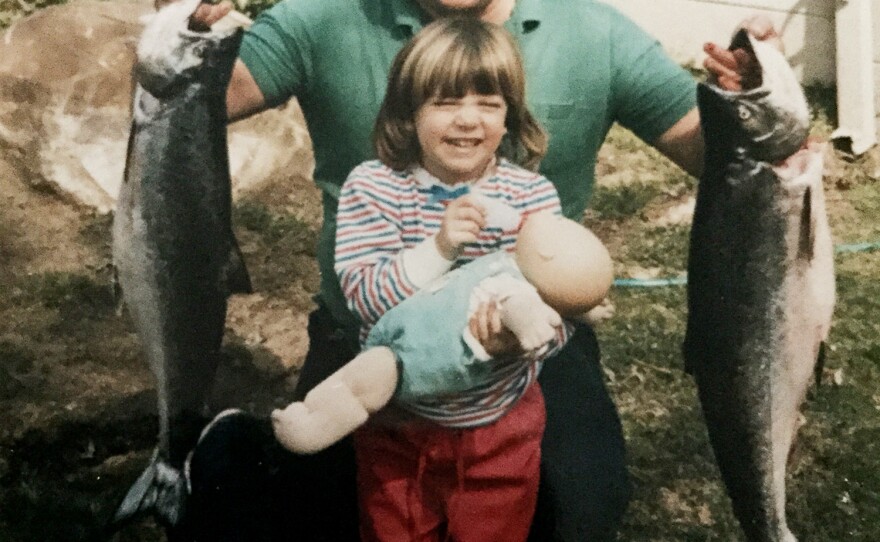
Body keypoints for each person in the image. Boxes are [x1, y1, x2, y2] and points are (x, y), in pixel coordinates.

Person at [174, 0, 782, 539]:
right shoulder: (323, 16)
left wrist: (753, 92)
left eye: (488, 105)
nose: (467, 121)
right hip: (367, 336)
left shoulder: (594, 30)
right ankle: (230, 447)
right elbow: (186, 94)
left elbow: (719, 151)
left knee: (581, 507)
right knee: (324, 506)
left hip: (523, 340)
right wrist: (183, 24)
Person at [268, 20, 613, 541]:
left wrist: (517, 342)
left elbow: (558, 305)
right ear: (409, 112)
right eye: (446, 102)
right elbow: (364, 297)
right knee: (394, 527)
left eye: (489, 104)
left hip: (499, 421)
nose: (468, 121)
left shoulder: (531, 197)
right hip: (400, 416)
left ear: (510, 117)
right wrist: (437, 249)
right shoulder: (375, 188)